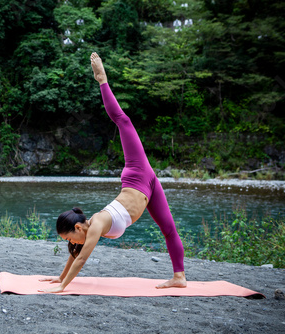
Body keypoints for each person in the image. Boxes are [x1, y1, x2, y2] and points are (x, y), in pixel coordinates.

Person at [39, 52, 187, 293]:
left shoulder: (96, 224)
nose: (69, 244)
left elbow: (82, 260)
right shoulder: (86, 233)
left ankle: (102, 79)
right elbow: (75, 255)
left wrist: (63, 287)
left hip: (138, 175)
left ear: (78, 228)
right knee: (169, 229)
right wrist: (60, 277)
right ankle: (179, 277)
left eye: (67, 238)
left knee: (123, 121)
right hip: (147, 188)